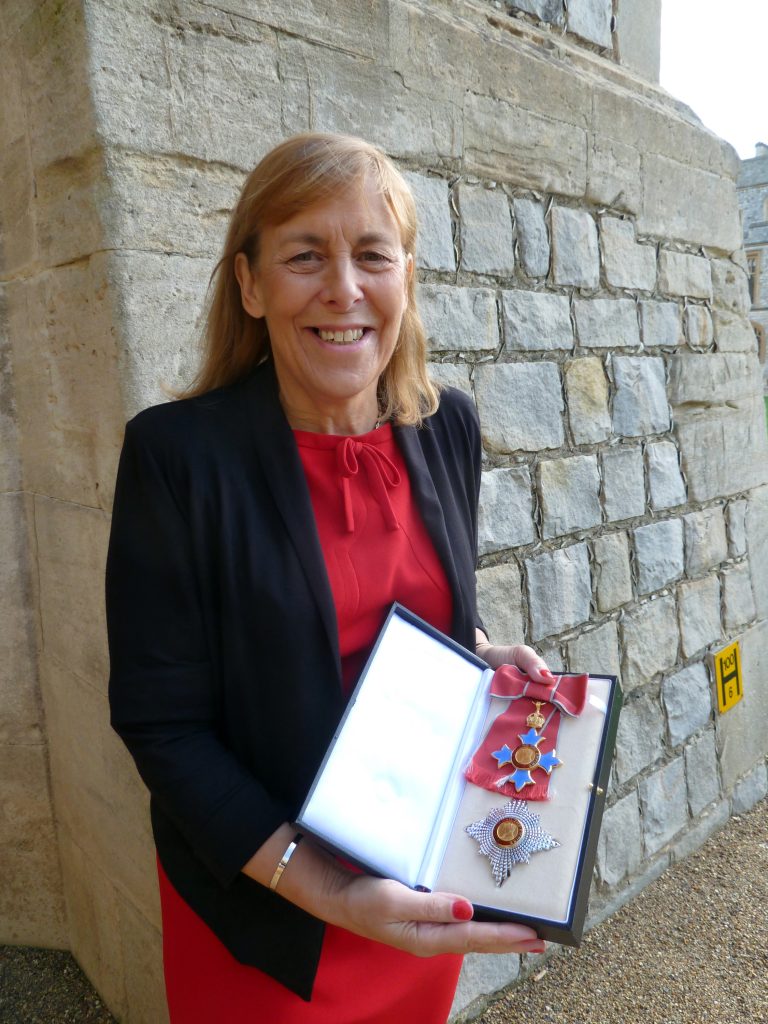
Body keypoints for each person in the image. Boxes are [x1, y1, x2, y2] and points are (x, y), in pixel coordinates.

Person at [106, 132, 555, 1024]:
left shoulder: (447, 427)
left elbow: (406, 618)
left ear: (406, 277)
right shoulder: (177, 457)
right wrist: (324, 893)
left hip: (412, 883)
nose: (344, 290)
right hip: (267, 909)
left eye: (372, 256)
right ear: (251, 285)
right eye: (305, 255)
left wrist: (484, 653)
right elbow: (162, 725)